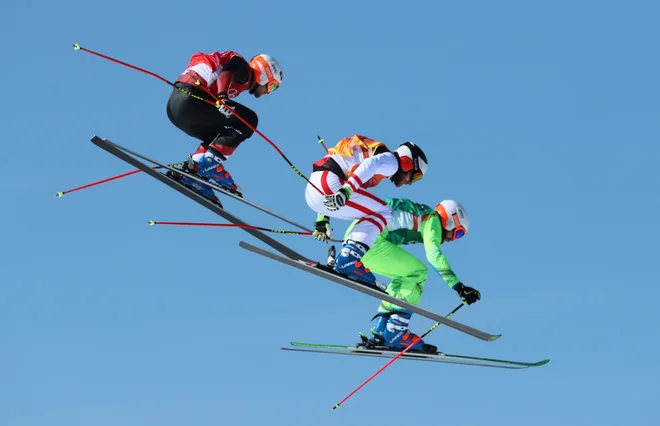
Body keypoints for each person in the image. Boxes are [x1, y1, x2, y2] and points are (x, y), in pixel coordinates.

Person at [342, 198, 481, 353]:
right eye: (458, 233)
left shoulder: (418, 216)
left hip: (358, 241)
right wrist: (459, 287)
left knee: (403, 278)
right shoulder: (432, 219)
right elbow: (434, 255)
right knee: (418, 273)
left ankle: (382, 331)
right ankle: (397, 331)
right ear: (449, 221)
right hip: (371, 242)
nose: (452, 239)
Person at [305, 134, 428, 290]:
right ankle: (349, 259)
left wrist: (322, 219)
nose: (409, 182)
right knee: (384, 211)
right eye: (415, 176)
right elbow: (371, 163)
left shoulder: (374, 164)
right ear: (407, 162)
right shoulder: (392, 161)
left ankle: (348, 257)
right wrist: (346, 191)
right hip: (328, 185)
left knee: (372, 211)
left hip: (315, 191)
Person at [166, 50, 283, 199]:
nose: (268, 92)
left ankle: (193, 171)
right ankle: (209, 165)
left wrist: (222, 98)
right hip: (192, 98)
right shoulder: (244, 70)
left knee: (220, 137)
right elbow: (226, 72)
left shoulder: (241, 79)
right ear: (265, 74)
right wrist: (222, 97)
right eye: (272, 86)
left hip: (175, 109)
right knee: (250, 120)